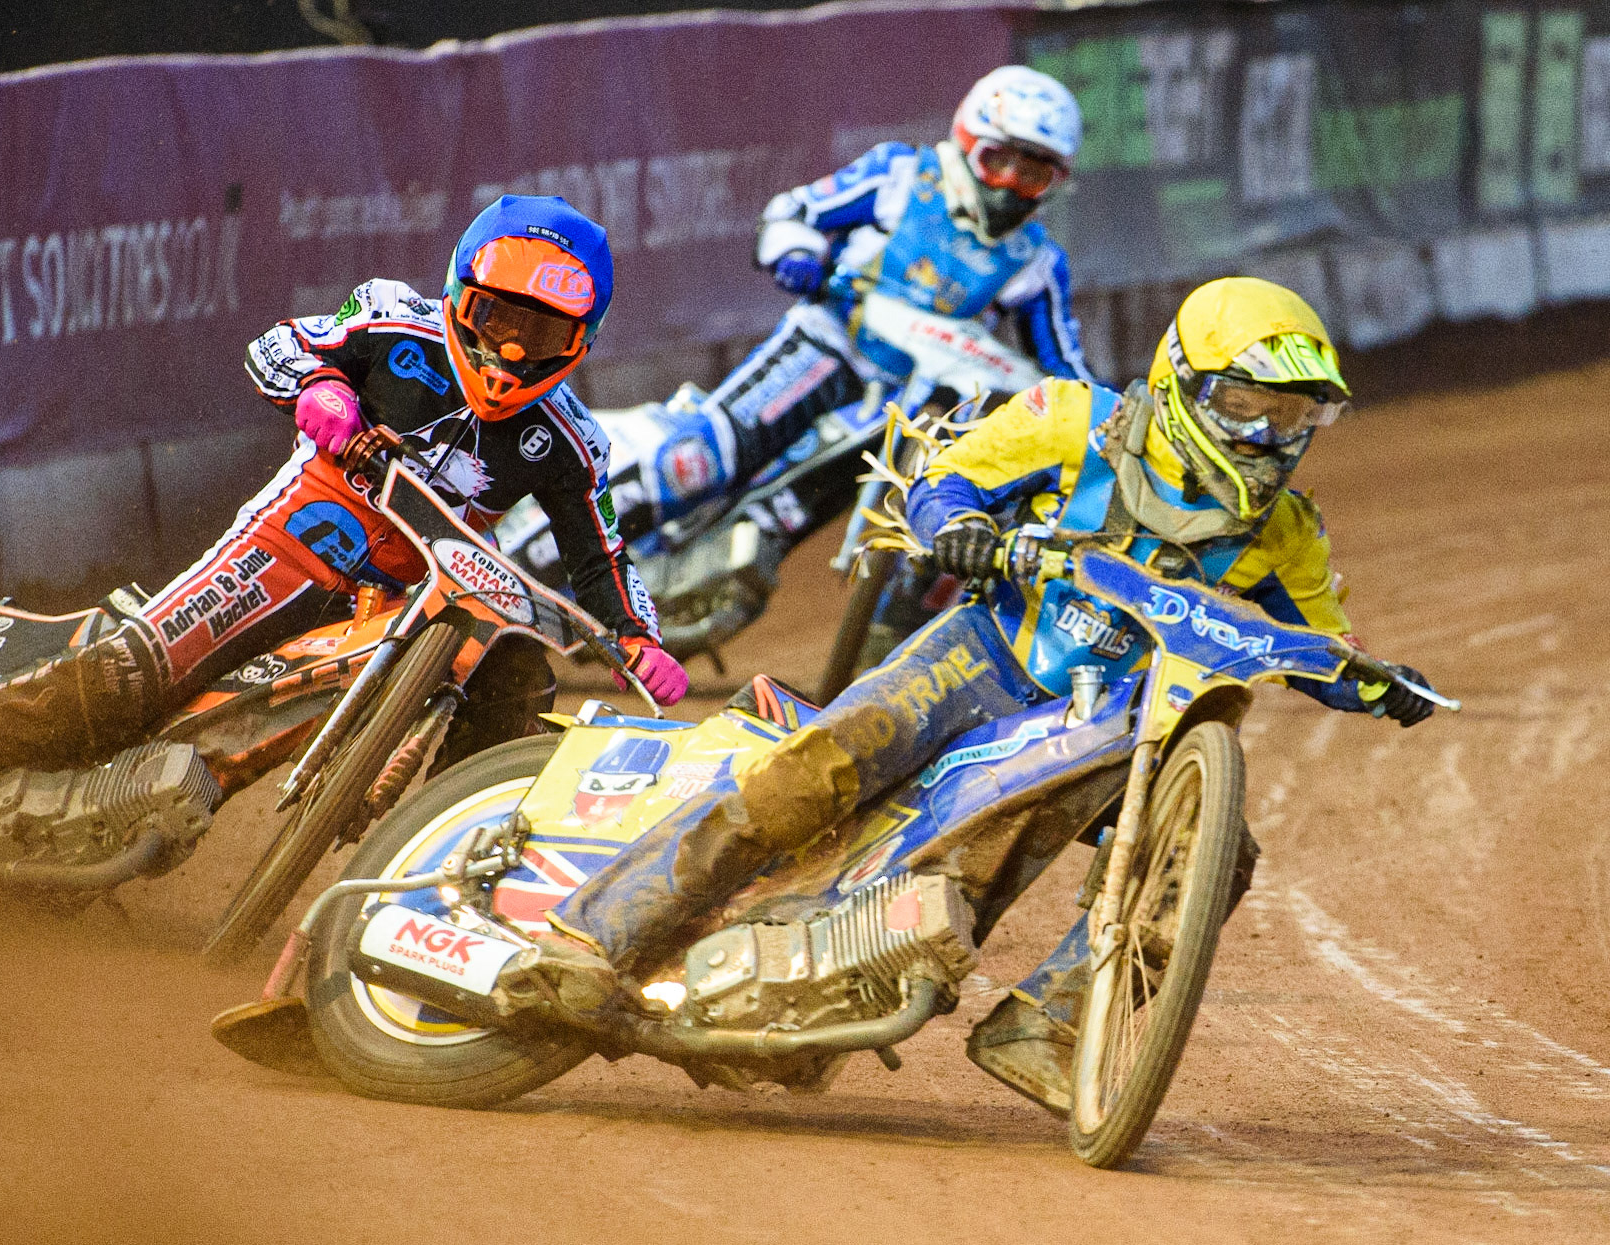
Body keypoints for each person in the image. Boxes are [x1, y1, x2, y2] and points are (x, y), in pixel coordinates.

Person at [494, 277, 1438, 1115]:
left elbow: (1327, 646)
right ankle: (591, 937)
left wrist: (1382, 686)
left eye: (1294, 420)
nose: (1271, 439)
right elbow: (948, 480)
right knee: (830, 758)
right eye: (1247, 407)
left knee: (1216, 851)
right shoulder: (1075, 419)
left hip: (1113, 724)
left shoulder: (1289, 532)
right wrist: (962, 529)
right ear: (1185, 384)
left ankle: (1050, 1025)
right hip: (985, 650)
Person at [0, 195, 687, 825]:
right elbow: (282, 344)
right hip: (296, 538)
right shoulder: (392, 318)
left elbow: (599, 556)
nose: (508, 349)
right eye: (494, 317)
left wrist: (638, 638)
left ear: (579, 342)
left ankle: (428, 870)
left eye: (536, 336)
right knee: (132, 680)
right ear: (457, 293)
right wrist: (323, 395)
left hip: (406, 602)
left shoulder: (572, 444)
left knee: (506, 677)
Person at [614, 65, 1093, 534]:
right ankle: (566, 540)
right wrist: (799, 253)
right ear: (967, 144)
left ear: (1055, 182)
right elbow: (795, 210)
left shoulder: (1036, 261)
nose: (1008, 184)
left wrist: (1100, 419)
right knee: (700, 460)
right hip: (833, 340)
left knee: (902, 506)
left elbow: (1063, 369)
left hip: (911, 402)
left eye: (1031, 174)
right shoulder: (902, 175)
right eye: (998, 161)